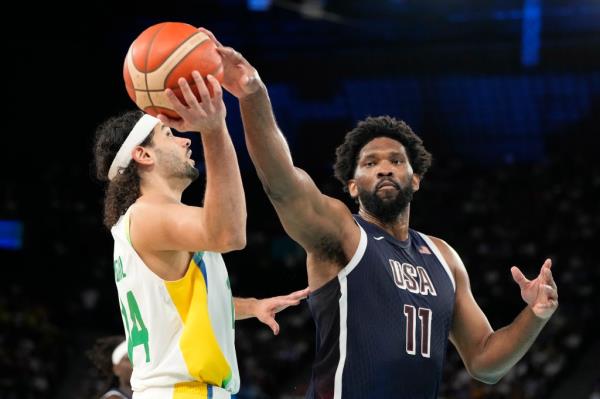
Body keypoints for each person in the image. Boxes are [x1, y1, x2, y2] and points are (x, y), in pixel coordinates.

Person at [174, 29, 559, 399]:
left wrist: (535, 314)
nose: (385, 167)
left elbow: (485, 363)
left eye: (396, 160)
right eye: (371, 163)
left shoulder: (444, 257)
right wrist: (252, 94)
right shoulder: (342, 232)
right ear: (353, 184)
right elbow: (282, 182)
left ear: (416, 179)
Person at [93, 71, 309, 398]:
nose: (184, 139)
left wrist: (251, 306)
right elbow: (229, 233)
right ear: (143, 154)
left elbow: (177, 309)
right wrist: (214, 128)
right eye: (169, 134)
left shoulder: (144, 221)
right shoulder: (149, 214)